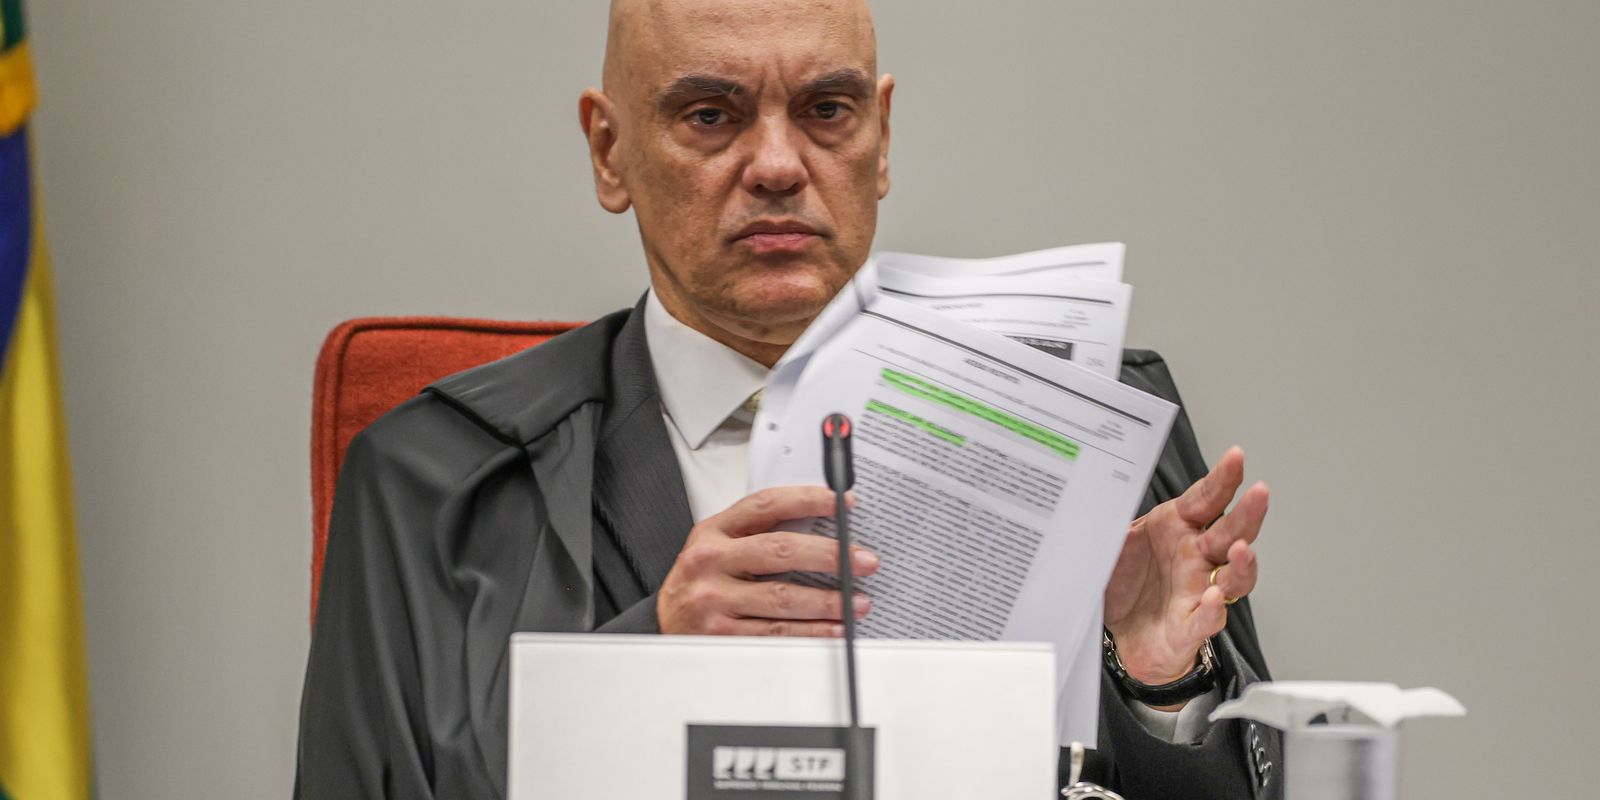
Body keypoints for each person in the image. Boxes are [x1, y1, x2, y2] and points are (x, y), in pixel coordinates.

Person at [294, 0, 1280, 797]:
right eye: (710, 115)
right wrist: (648, 662)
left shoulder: (1094, 423)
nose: (775, 166)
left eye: (826, 110)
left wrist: (1162, 689)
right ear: (609, 150)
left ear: (880, 141)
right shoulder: (436, 475)